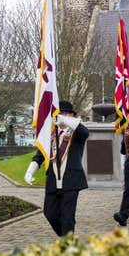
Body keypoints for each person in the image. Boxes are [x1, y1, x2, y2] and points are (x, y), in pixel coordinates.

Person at [24, 100, 88, 236]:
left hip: (70, 180)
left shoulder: (76, 132)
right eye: (60, 113)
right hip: (53, 180)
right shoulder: (51, 134)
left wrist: (64, 119)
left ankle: (67, 245)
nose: (62, 116)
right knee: (50, 213)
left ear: (72, 115)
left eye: (66, 114)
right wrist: (30, 171)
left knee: (67, 216)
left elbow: (85, 132)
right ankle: (64, 236)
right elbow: (39, 155)